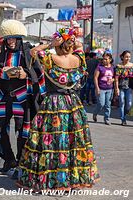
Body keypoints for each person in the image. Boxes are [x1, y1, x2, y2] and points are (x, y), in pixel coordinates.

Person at [17, 28, 99, 191]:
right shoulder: (78, 59)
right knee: (73, 140)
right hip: (73, 103)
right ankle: (71, 179)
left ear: (59, 44)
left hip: (54, 103)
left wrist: (49, 44)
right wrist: (73, 41)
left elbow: (33, 52)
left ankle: (50, 179)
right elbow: (80, 47)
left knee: (51, 141)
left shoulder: (50, 58)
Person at [0, 19, 39, 175]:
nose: (11, 42)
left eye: (14, 38)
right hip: (3, 98)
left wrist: (26, 75)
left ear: (19, 39)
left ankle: (21, 164)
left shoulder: (28, 55)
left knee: (22, 132)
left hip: (22, 99)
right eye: (8, 39)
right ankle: (9, 160)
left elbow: (38, 74)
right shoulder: (1, 56)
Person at [93, 52, 115, 125]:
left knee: (108, 105)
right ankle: (95, 113)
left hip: (109, 89)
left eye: (106, 59)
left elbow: (115, 77)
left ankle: (107, 119)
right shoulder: (99, 67)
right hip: (101, 88)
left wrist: (113, 80)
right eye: (103, 59)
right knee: (101, 104)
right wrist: (97, 88)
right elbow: (95, 78)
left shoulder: (113, 67)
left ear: (110, 59)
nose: (104, 60)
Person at [115, 50, 133, 125]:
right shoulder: (119, 66)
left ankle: (125, 115)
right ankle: (123, 119)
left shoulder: (132, 66)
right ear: (122, 57)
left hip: (130, 87)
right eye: (126, 57)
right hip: (121, 87)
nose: (128, 58)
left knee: (129, 104)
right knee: (122, 102)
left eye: (129, 57)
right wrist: (116, 89)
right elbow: (116, 78)